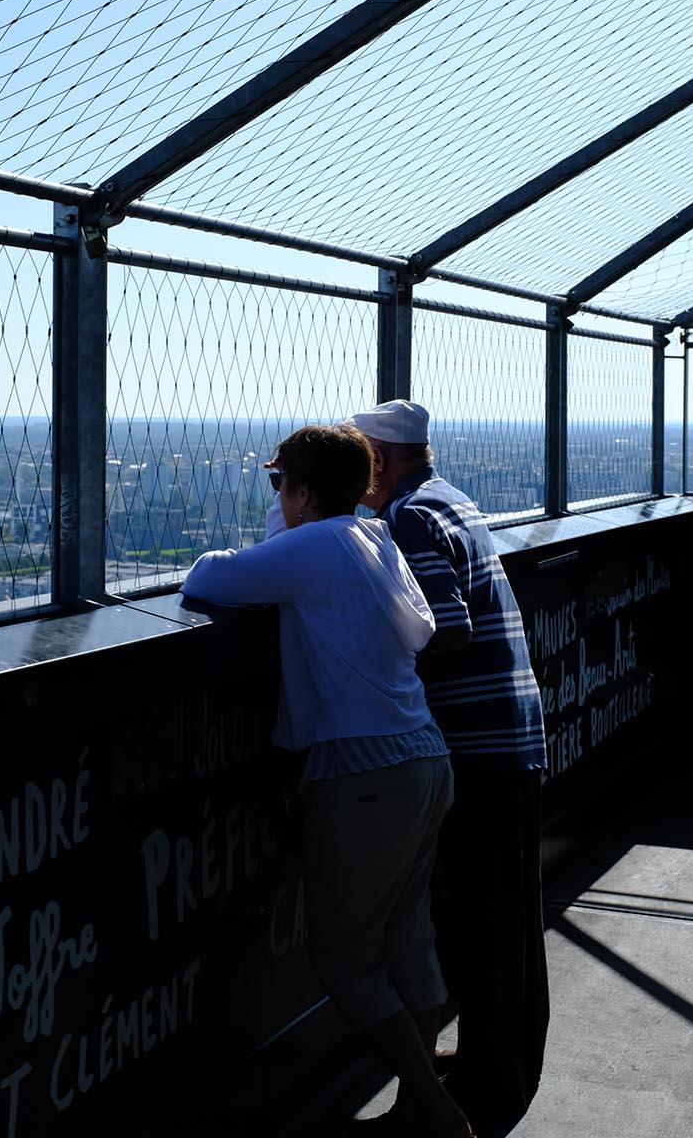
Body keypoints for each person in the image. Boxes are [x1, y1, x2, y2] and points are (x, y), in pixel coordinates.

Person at [183, 424, 473, 1138]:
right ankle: (419, 1105)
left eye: (281, 485)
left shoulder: (314, 546)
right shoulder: (376, 536)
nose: (276, 496)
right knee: (408, 938)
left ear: (303, 491)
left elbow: (206, 577)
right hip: (425, 756)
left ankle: (435, 1113)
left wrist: (279, 531)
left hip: (364, 771)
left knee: (344, 959)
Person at [350, 399, 550, 1130]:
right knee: (507, 920)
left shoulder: (409, 518)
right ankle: (504, 1070)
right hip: (510, 737)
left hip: (477, 746)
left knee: (475, 924)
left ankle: (485, 1089)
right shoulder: (450, 499)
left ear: (380, 459)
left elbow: (448, 628)